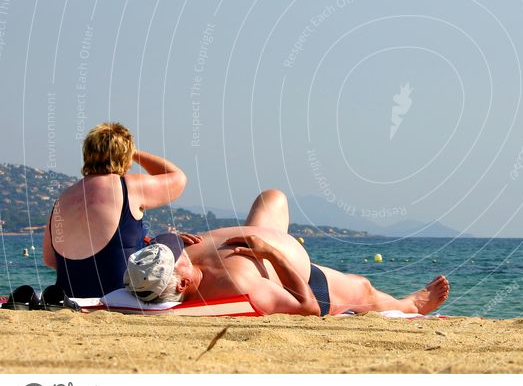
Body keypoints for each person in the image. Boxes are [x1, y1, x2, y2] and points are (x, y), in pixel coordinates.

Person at [124, 190, 450, 316]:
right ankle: (411, 305)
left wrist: (171, 239)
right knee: (362, 287)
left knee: (272, 198)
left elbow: (158, 244)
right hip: (302, 279)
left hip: (266, 245)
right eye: (173, 256)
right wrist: (271, 254)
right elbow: (306, 307)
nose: (174, 249)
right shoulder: (236, 287)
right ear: (181, 285)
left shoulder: (173, 259)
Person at [42, 122, 187, 298]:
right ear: (125, 155)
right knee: (171, 239)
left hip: (68, 294)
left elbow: (50, 260)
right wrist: (132, 152)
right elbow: (178, 178)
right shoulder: (128, 186)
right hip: (120, 294)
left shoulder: (62, 198)